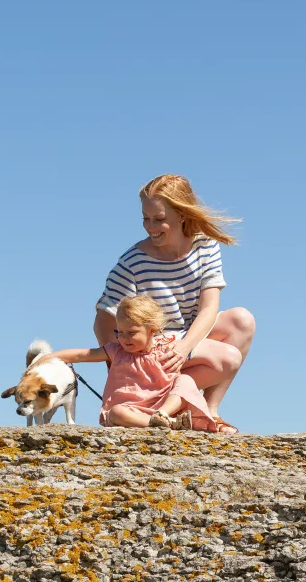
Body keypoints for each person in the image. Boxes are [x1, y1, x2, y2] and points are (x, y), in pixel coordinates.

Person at [92, 174, 255, 434]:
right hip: (154, 348)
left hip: (187, 341)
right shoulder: (132, 262)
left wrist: (184, 349)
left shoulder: (206, 246)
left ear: (181, 214)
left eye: (159, 219)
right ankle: (170, 399)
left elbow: (209, 309)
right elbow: (103, 320)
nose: (150, 226)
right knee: (228, 358)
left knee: (242, 320)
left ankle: (208, 411)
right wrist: (121, 369)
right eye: (145, 218)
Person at [36, 295, 223, 431]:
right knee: (116, 412)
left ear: (153, 330)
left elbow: (205, 368)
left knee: (186, 381)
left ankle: (163, 416)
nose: (124, 338)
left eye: (131, 332)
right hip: (130, 411)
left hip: (162, 406)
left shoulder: (166, 351)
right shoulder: (116, 351)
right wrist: (48, 358)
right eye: (120, 332)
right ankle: (162, 424)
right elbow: (80, 355)